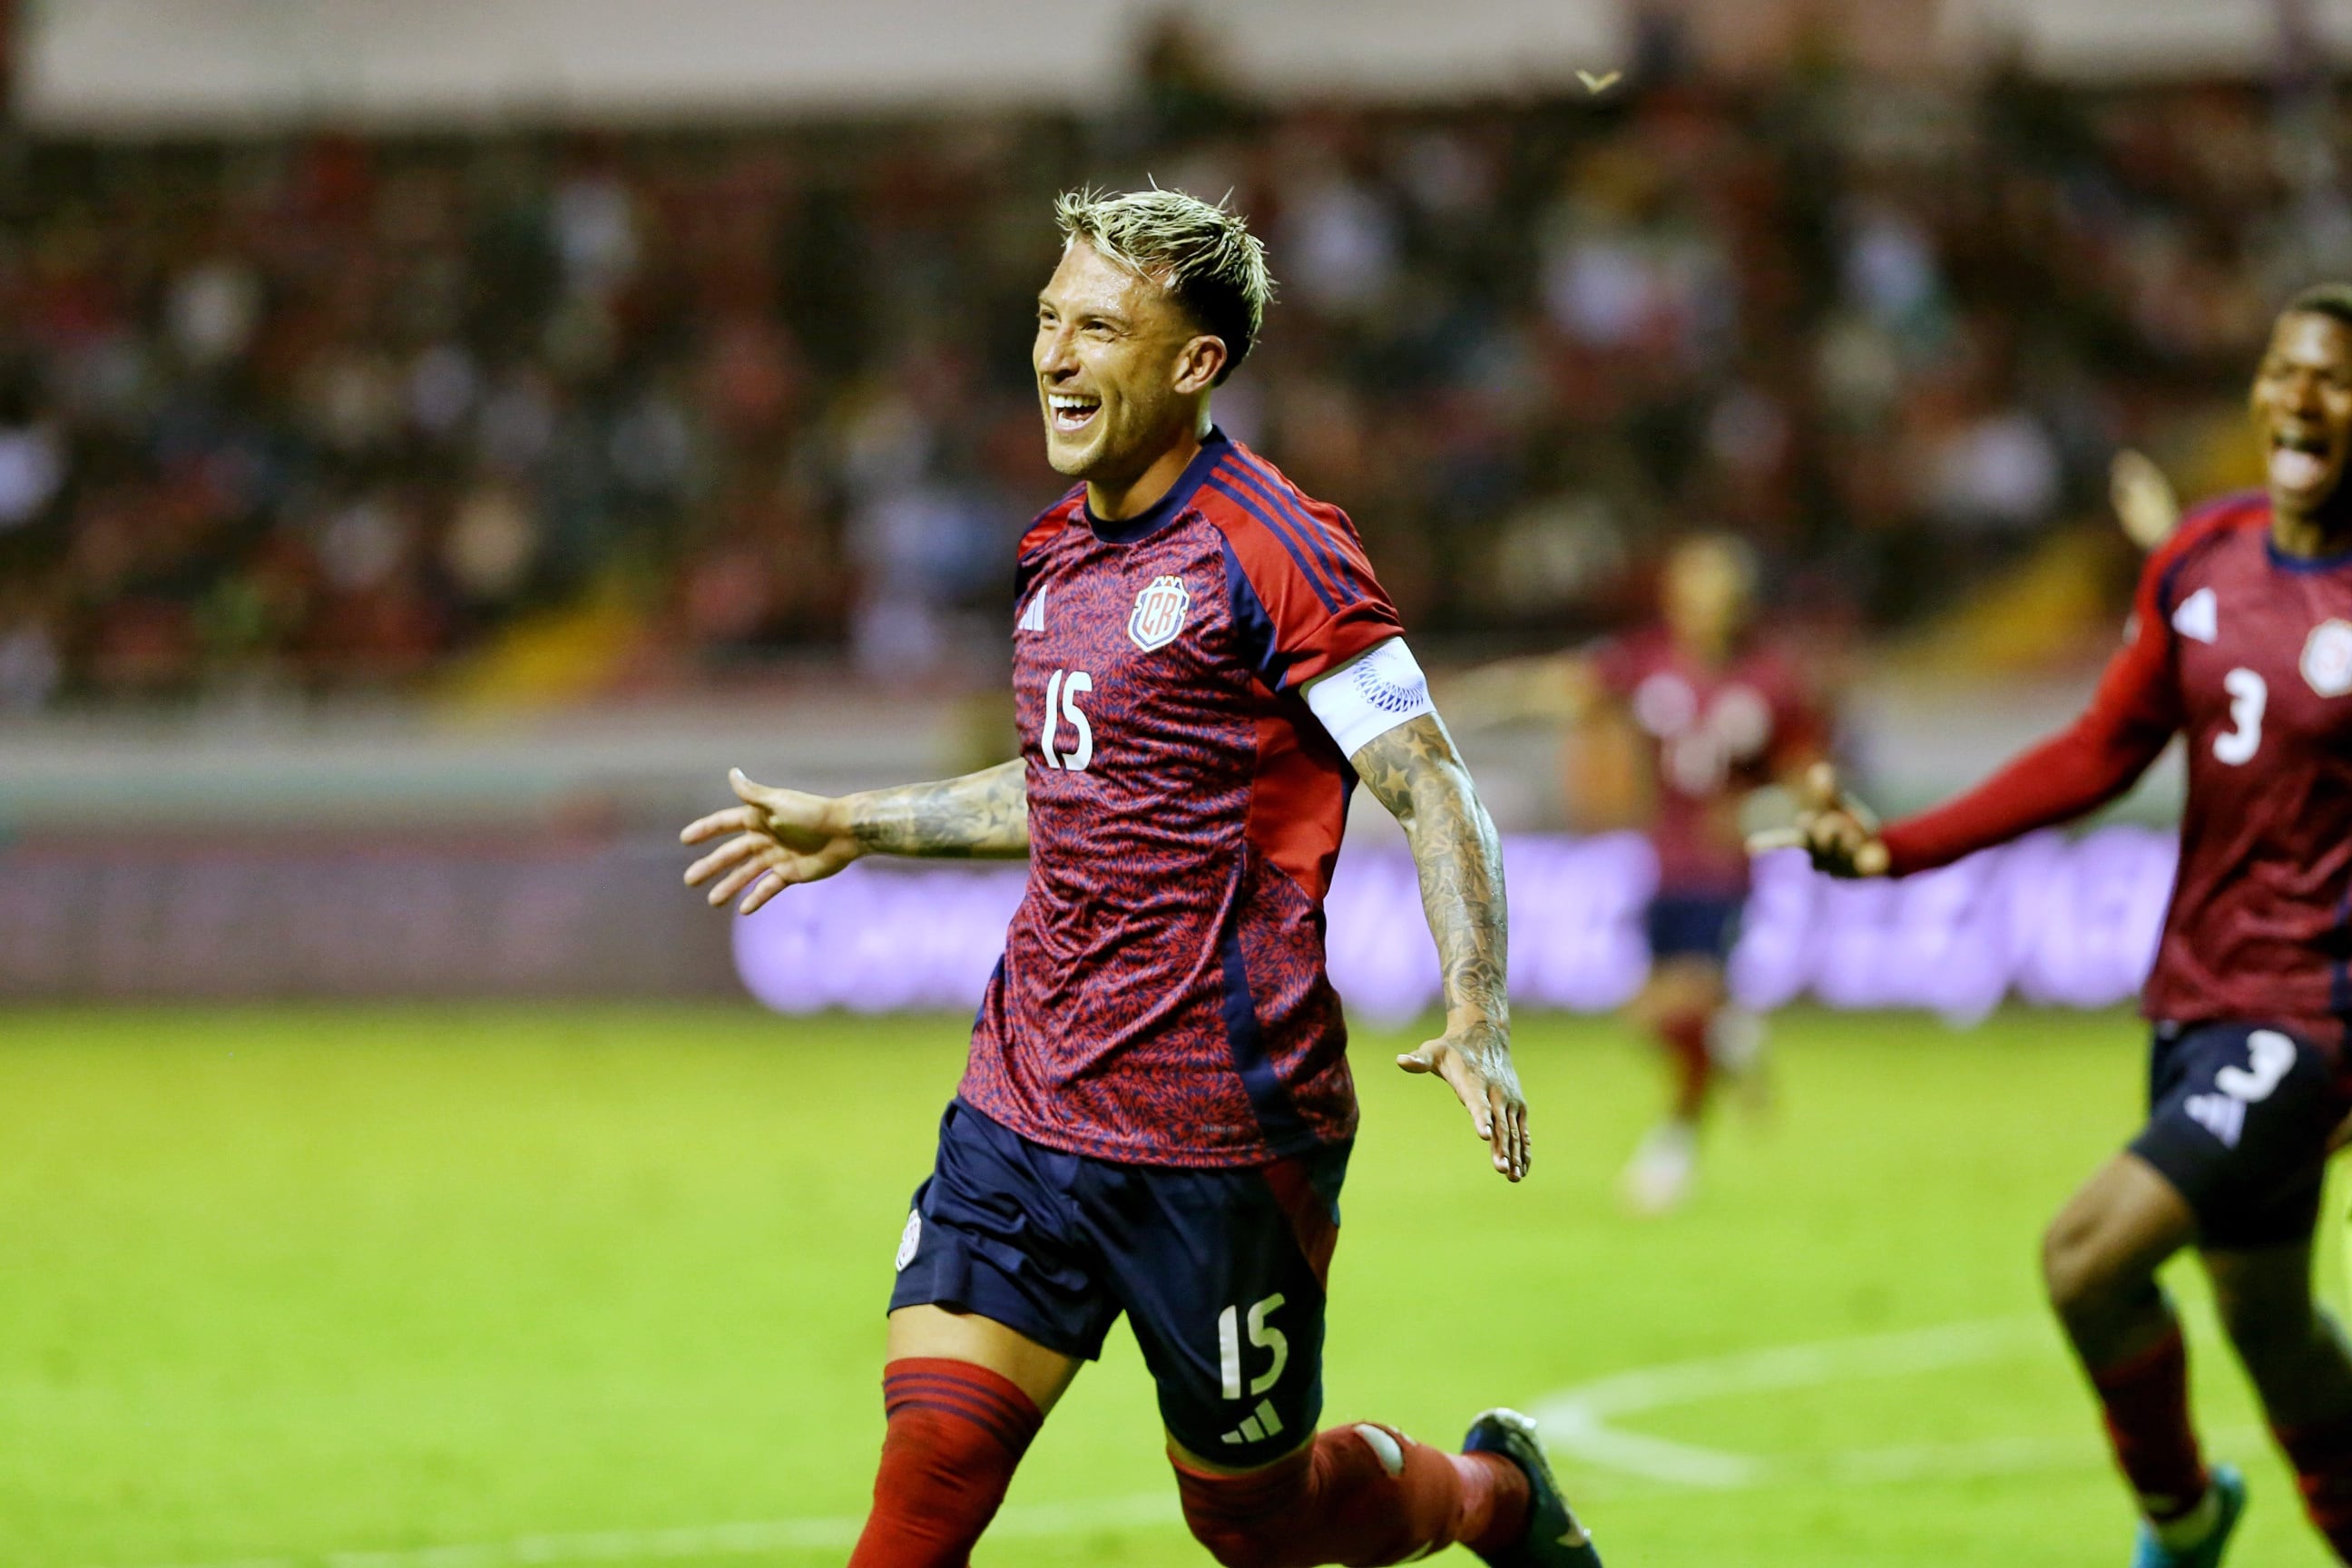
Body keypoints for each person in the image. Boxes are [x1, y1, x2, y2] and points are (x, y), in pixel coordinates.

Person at [681, 188, 1601, 1568]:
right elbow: (1074, 788)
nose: (1055, 354)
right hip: (1025, 1104)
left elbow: (1433, 782)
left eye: (1099, 327)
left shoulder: (1281, 550)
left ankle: (1493, 1500)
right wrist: (859, 822)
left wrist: (1478, 1014)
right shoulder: (1055, 553)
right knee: (927, 1477)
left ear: (1193, 364)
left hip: (1224, 1140)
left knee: (1257, 1522)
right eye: (1048, 319)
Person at [1770, 285, 2352, 1568]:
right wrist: (1896, 845)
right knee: (2271, 1327)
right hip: (2196, 998)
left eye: (2334, 380)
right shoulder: (2204, 559)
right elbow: (2099, 752)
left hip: (2309, 1015)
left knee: (2087, 1257)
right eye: (2283, 371)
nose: (2300, 397)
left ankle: (2182, 1520)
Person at [1450, 534, 1828, 1212]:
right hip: (1665, 868)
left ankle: (1674, 1144)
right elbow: (1566, 687)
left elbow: (1811, 778)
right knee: (1648, 1021)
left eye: (1720, 595)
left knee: (1683, 1004)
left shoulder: (1771, 680)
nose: (1706, 608)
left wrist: (1760, 810)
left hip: (1727, 874)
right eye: (1694, 593)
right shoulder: (1649, 661)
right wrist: (1483, 696)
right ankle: (1726, 1039)